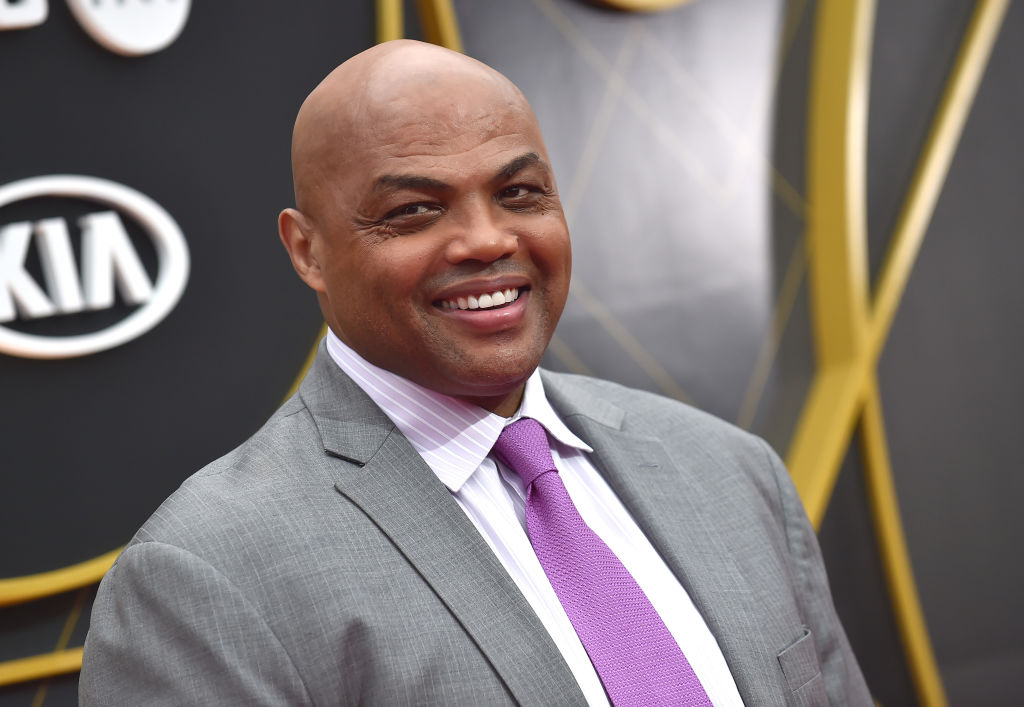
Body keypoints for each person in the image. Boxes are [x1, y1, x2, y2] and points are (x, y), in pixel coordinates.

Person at [80, 40, 871, 705]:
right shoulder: (202, 579)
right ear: (307, 250)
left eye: (519, 193)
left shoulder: (729, 471)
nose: (487, 240)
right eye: (414, 210)